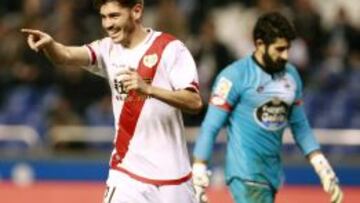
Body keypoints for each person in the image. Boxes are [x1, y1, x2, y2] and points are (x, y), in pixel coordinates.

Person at [21, 0, 202, 202]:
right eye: (103, 17)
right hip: (127, 175)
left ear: (136, 11)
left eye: (114, 16)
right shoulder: (107, 49)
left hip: (173, 178)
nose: (107, 24)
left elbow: (194, 102)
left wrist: (148, 89)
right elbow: (66, 55)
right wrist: (51, 45)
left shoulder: (171, 49)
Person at [191, 12, 343, 203]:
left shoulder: (291, 76)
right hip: (244, 174)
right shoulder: (234, 76)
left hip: (271, 175)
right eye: (279, 49)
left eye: (288, 49)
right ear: (260, 44)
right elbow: (211, 126)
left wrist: (321, 165)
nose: (286, 55)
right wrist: (199, 168)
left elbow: (300, 126)